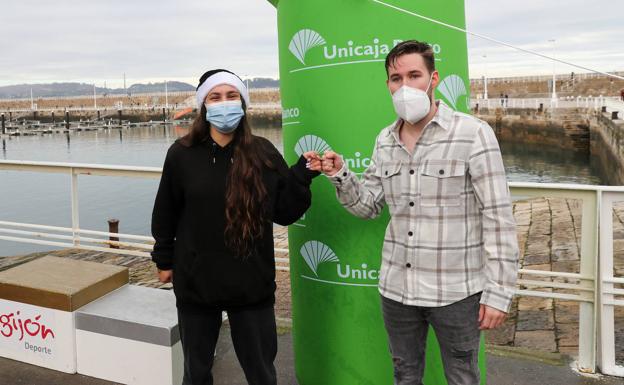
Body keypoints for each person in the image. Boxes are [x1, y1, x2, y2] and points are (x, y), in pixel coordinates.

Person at [310, 40, 519, 385]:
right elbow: (368, 207)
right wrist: (340, 175)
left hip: (457, 292)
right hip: (397, 291)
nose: (404, 86)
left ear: (433, 78)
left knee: (462, 376)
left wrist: (498, 294)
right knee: (405, 375)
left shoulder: (473, 133)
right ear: (388, 85)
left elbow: (498, 219)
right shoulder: (384, 140)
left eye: (414, 75)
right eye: (395, 78)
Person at [151, 69, 319, 385]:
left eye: (231, 96)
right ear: (204, 106)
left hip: (251, 284)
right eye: (215, 97)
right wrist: (164, 258)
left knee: (261, 374)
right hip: (197, 284)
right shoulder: (181, 154)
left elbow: (283, 212)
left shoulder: (263, 152)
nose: (224, 103)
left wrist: (302, 175)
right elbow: (165, 211)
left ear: (242, 103)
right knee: (196, 372)